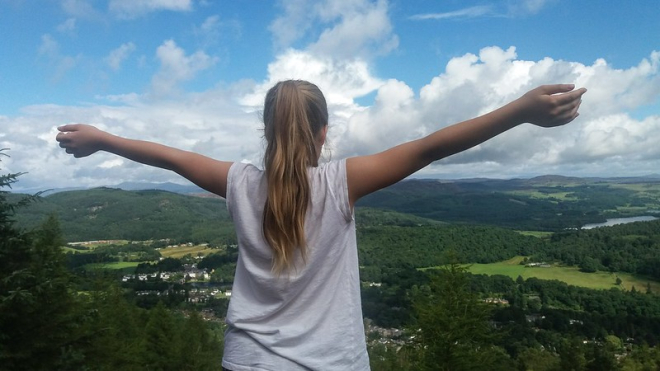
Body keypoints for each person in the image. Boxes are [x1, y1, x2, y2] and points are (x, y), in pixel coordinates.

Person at [56, 80, 586, 370]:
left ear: (266, 130)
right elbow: (432, 146)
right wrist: (518, 111)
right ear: (324, 132)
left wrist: (103, 139)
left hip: (247, 361)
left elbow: (171, 157)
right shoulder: (340, 183)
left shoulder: (239, 182)